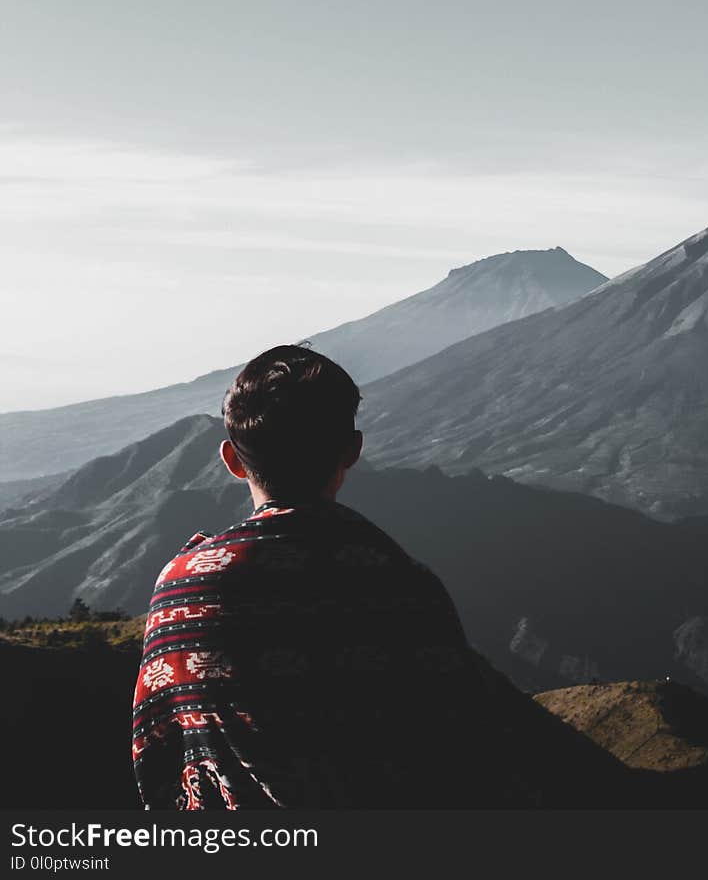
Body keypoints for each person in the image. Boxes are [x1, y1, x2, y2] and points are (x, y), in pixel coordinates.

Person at [132, 344, 640, 810]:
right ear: (352, 450)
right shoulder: (399, 585)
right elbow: (461, 749)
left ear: (231, 461)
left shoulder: (180, 587)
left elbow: (157, 756)